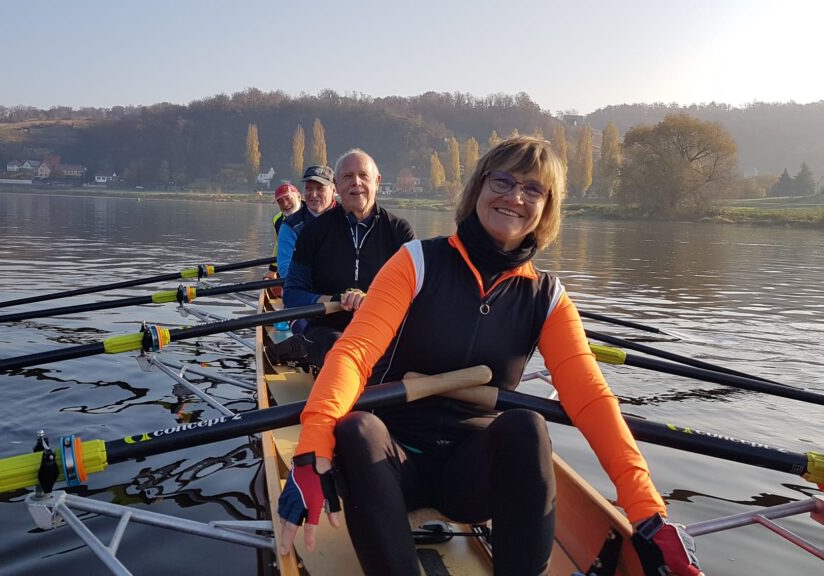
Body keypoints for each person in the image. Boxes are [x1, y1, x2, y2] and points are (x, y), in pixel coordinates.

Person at [276, 137, 702, 576]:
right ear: (478, 188)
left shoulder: (547, 297)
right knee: (356, 427)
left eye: (533, 190)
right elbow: (354, 353)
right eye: (503, 181)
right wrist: (312, 447)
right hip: (390, 463)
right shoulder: (417, 261)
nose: (515, 197)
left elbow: (591, 400)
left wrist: (647, 510)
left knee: (527, 427)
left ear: (547, 208)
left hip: (472, 476)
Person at [280, 149, 414, 368]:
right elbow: (292, 295)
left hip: (380, 328)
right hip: (327, 330)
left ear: (377, 182)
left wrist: (370, 300)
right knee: (340, 345)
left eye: (363, 175)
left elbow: (413, 296)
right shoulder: (313, 232)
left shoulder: (399, 231)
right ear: (336, 185)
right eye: (347, 177)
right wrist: (335, 299)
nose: (356, 182)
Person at [275, 165, 337, 279]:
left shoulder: (349, 218)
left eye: (320, 188)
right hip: (305, 290)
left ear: (334, 190)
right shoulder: (290, 226)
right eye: (308, 188)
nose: (313, 194)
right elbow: (285, 269)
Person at [265, 183, 302, 281]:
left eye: (288, 198)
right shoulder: (277, 220)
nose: (285, 204)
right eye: (280, 201)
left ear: (298, 196)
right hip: (289, 266)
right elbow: (279, 246)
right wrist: (272, 270)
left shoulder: (312, 210)